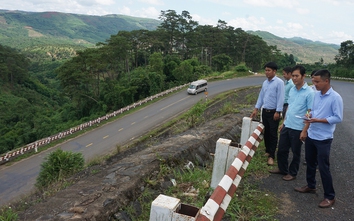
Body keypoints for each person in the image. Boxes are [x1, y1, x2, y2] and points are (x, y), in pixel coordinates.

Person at [294, 69, 343, 208]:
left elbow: (338, 118)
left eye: (317, 81)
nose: (314, 84)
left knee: (323, 167)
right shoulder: (316, 95)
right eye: (313, 81)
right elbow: (313, 111)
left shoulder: (335, 97)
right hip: (312, 134)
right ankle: (311, 185)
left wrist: (319, 120)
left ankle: (329, 196)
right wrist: (309, 117)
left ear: (326, 81)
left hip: (324, 138)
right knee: (310, 162)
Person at [269, 65, 314, 181]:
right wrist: (283, 122)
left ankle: (293, 173)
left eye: (296, 76)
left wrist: (305, 130)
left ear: (303, 76)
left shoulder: (309, 92)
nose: (294, 78)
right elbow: (289, 106)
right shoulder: (292, 90)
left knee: (295, 152)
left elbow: (310, 112)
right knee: (282, 149)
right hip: (288, 124)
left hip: (298, 127)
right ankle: (282, 169)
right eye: (293, 76)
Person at [250, 62, 284, 165]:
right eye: (266, 70)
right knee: (267, 132)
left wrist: (278, 111)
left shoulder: (279, 82)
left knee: (273, 134)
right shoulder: (265, 83)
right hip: (265, 111)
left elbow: (281, 97)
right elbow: (261, 97)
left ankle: (272, 156)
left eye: (269, 70)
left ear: (274, 71)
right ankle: (268, 150)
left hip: (274, 112)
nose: (267, 72)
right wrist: (256, 108)